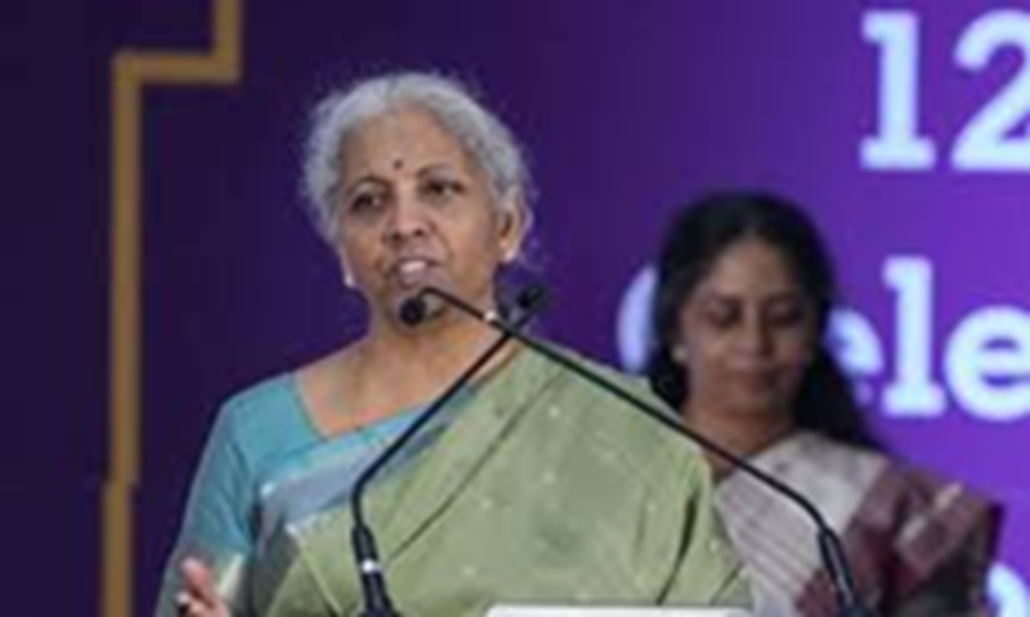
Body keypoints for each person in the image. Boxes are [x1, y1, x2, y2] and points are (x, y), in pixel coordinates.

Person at [156, 72, 751, 617]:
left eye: (439, 189)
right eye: (369, 201)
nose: (404, 224)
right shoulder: (257, 434)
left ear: (507, 227)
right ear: (343, 252)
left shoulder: (631, 429)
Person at [646, 191, 1002, 616]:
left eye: (783, 317)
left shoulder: (887, 508)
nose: (753, 343)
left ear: (817, 330)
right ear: (674, 329)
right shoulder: (608, 477)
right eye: (724, 317)